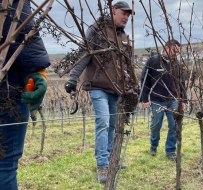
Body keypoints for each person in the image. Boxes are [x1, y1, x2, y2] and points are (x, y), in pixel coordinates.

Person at [64, 1, 138, 183]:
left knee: (112, 124)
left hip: (116, 89)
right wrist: (73, 78)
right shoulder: (97, 29)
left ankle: (112, 161)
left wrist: (133, 86)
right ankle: (102, 166)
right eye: (124, 13)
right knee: (103, 122)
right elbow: (85, 52)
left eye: (129, 15)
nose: (126, 17)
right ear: (113, 11)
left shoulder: (125, 38)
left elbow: (128, 65)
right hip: (97, 85)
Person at [0, 0, 50, 189]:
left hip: (10, 82)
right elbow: (22, 22)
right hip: (9, 86)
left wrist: (36, 71)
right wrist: (37, 69)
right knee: (4, 163)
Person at [141, 39, 184, 161]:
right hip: (157, 100)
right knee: (156, 125)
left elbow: (181, 83)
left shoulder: (177, 64)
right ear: (166, 48)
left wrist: (183, 100)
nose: (176, 54)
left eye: (178, 52)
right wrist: (145, 99)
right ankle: (153, 146)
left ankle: (170, 151)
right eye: (174, 50)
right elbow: (145, 81)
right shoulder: (153, 61)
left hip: (173, 99)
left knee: (174, 125)